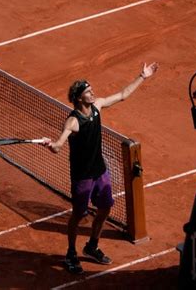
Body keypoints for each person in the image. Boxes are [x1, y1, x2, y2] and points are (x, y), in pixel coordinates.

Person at [42, 62, 159, 274]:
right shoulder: (73, 122)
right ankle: (71, 253)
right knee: (79, 215)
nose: (93, 93)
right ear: (79, 98)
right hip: (82, 177)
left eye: (91, 90)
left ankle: (92, 246)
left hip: (100, 171)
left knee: (105, 208)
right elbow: (59, 146)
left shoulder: (98, 106)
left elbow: (123, 95)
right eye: (88, 92)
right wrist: (52, 145)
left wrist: (142, 76)